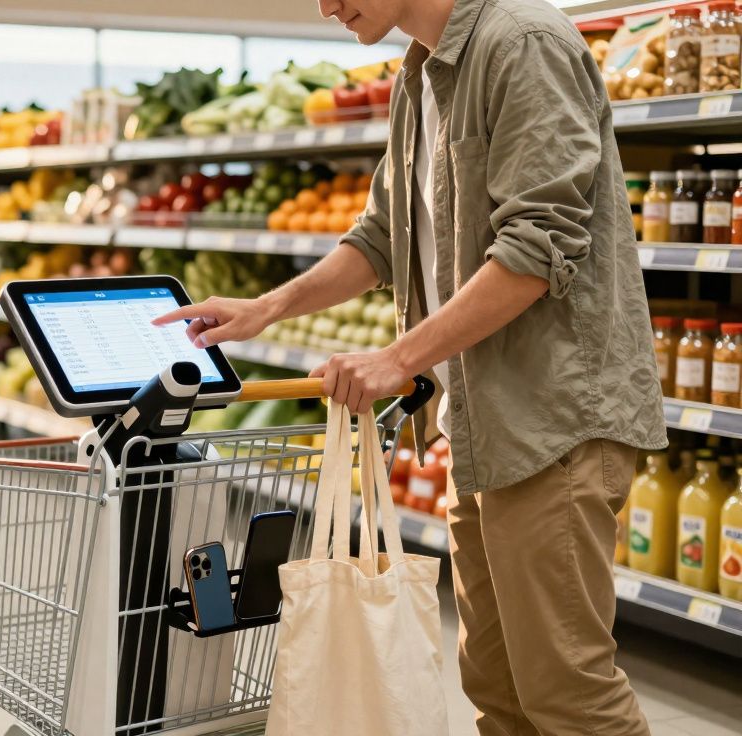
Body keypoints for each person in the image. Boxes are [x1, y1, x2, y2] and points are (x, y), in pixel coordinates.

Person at [153, 0, 667, 733]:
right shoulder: (419, 74)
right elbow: (381, 238)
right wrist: (267, 307)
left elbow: (537, 248)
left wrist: (397, 358)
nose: (325, 6)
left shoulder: (523, 43)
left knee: (568, 694)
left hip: (553, 423)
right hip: (483, 426)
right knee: (498, 690)